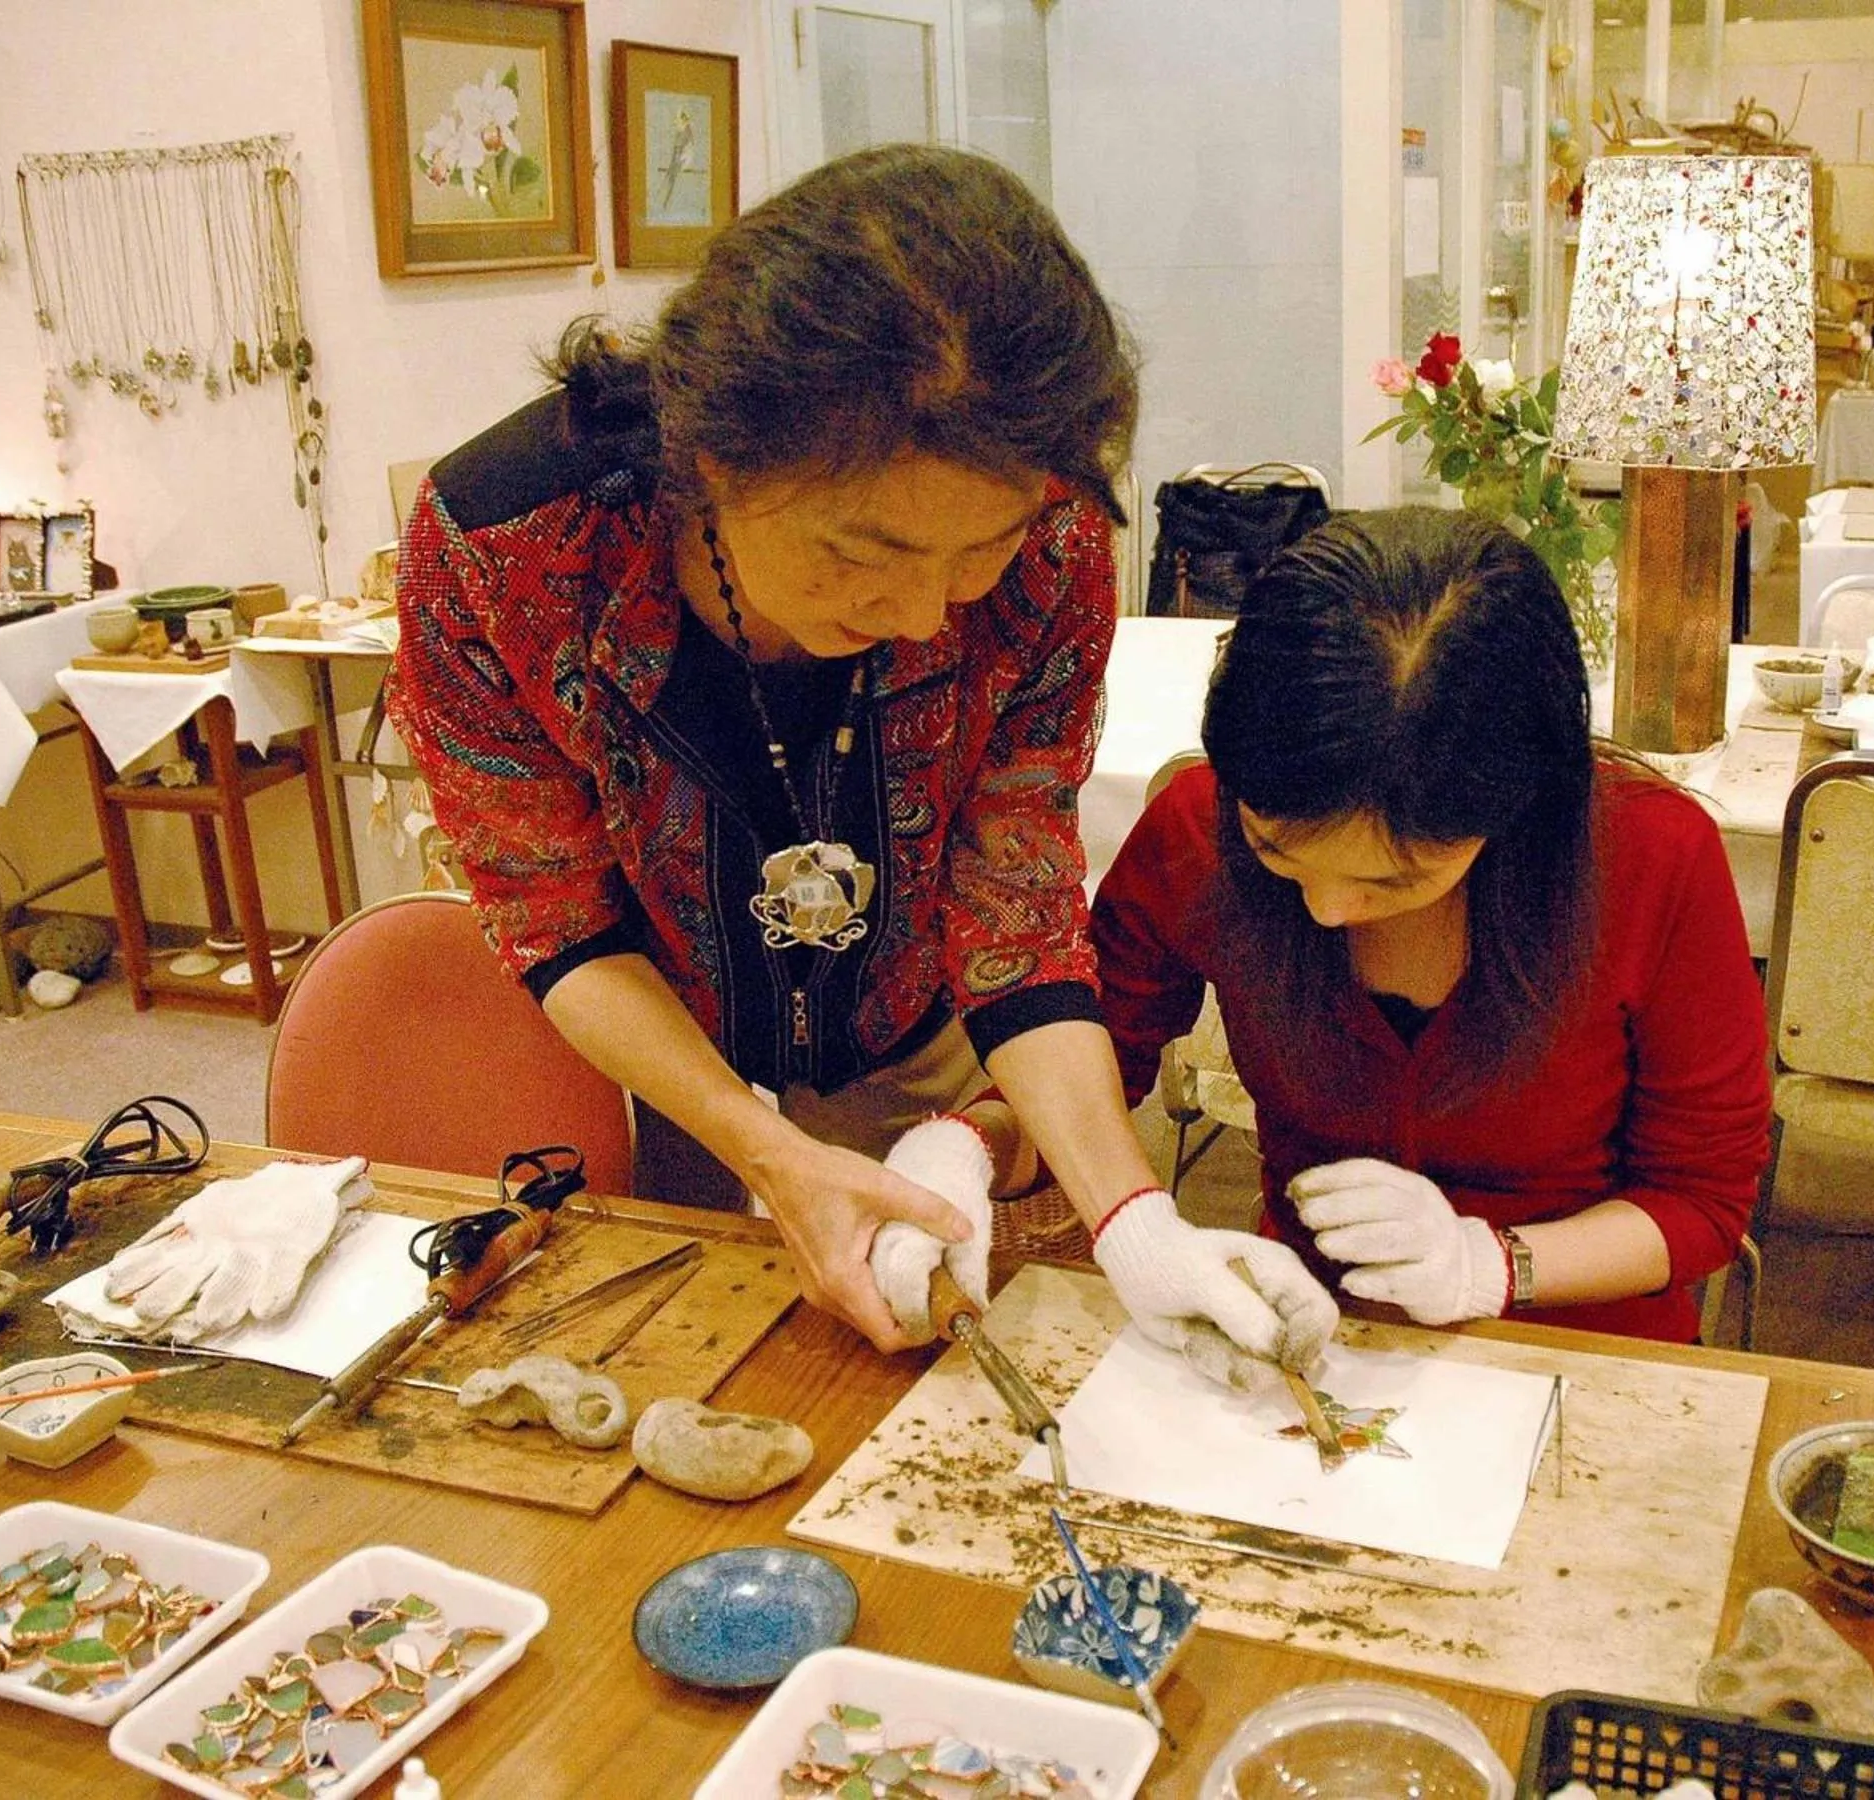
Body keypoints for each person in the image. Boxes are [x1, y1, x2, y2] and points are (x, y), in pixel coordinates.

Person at [388, 144, 1335, 1375]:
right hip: (655, 1018)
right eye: (861, 553)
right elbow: (550, 913)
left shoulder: (1048, 541)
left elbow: (1014, 899)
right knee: (692, 1348)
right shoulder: (503, 552)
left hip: (920, 1006)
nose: (924, 616)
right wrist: (765, 1151)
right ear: (717, 460)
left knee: (964, 1354)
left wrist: (1133, 1216)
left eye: (974, 553)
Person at [1091, 508, 1772, 1342]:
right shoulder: (1200, 827)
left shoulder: (1650, 856)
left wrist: (1488, 1265)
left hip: (1583, 1336)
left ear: (1515, 805)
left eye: (1394, 879)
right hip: (1308, 1329)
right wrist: (971, 1152)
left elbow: (1702, 1202)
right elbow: (1087, 1058)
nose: (1328, 910)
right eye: (1277, 850)